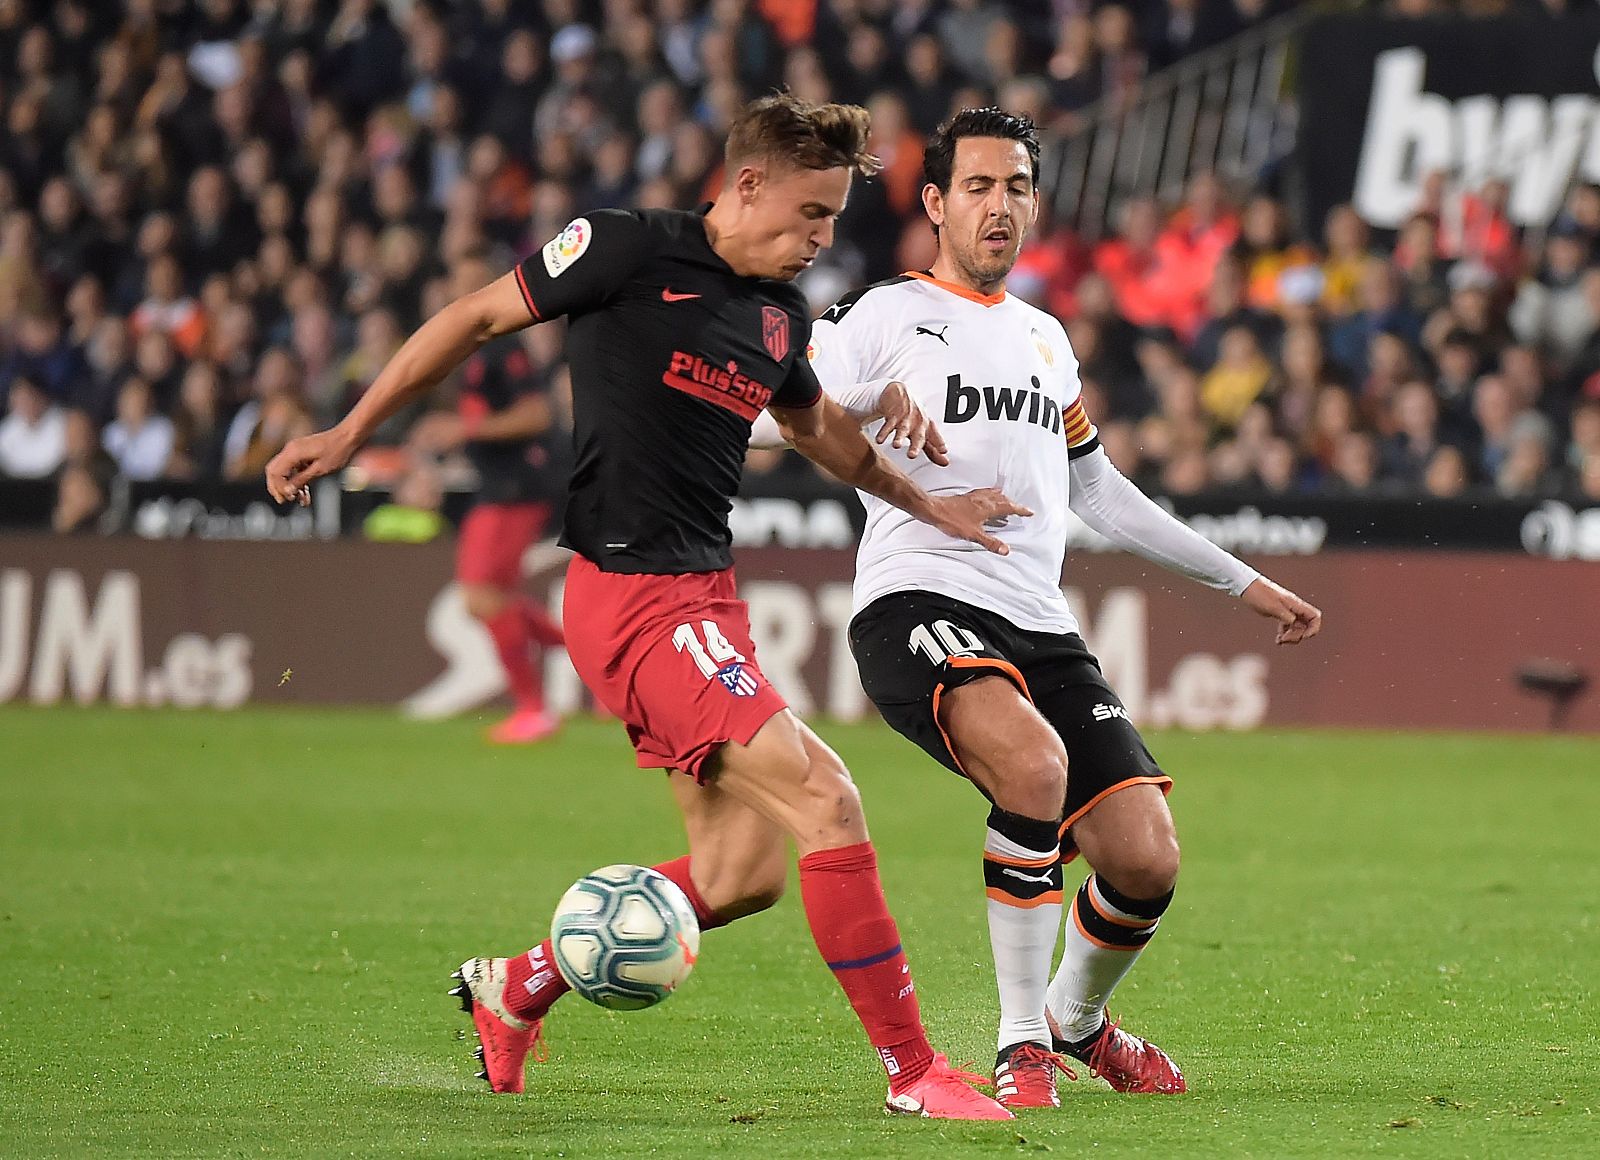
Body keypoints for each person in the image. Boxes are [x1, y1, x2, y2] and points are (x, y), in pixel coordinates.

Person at [266, 94, 1027, 1121]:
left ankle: (517, 984)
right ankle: (912, 1070)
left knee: (741, 869)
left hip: (703, 593)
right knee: (828, 800)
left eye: (836, 220)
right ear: (745, 183)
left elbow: (820, 435)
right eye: (810, 214)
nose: (821, 239)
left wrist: (926, 503)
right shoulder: (625, 248)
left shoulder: (776, 316)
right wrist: (352, 432)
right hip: (631, 594)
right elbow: (475, 316)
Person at [756, 108, 1323, 1109]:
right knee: (1031, 764)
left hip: (1038, 623)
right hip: (917, 596)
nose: (998, 206)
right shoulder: (882, 316)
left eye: (1014, 187)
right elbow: (766, 420)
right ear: (934, 203)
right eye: (976, 187)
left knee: (1145, 855)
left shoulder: (1043, 339)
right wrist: (857, 406)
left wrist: (1242, 581)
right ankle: (1021, 1040)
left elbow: (1099, 491)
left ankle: (1074, 1019)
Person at [407, 252, 568, 744]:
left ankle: (536, 709)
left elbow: (539, 415)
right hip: (499, 487)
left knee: (481, 595)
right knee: (491, 599)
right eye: (461, 284)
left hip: (518, 487)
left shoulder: (504, 348)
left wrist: (465, 428)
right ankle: (582, 651)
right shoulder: (476, 349)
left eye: (479, 284)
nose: (468, 294)